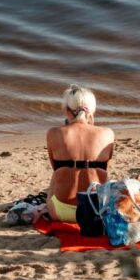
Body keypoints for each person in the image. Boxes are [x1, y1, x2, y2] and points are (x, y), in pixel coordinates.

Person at [44, 84, 114, 222]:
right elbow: (105, 170)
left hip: (62, 212)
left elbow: (55, 169)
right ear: (92, 111)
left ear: (67, 111)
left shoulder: (54, 133)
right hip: (96, 211)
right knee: (100, 172)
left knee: (58, 172)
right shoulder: (107, 133)